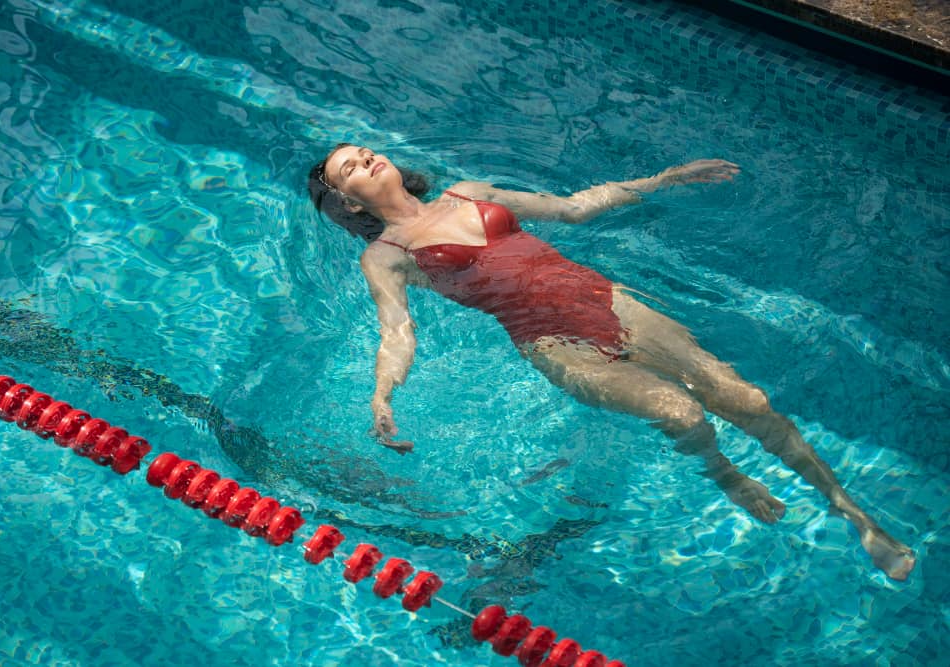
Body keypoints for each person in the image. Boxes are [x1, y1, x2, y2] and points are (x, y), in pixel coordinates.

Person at [307, 143, 916, 581]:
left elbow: (573, 207)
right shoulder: (385, 255)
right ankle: (725, 474)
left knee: (748, 400)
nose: (367, 159)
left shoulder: (471, 192)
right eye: (350, 167)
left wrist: (666, 179)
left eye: (364, 151)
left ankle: (853, 512)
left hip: (607, 300)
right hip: (553, 343)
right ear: (347, 201)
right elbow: (397, 331)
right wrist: (383, 394)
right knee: (680, 414)